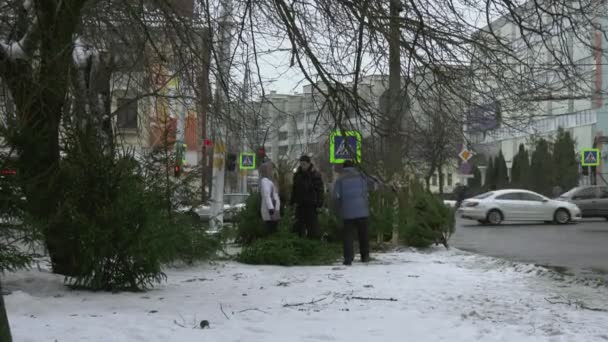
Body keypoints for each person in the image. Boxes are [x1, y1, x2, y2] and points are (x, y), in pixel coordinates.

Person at [333, 160, 370, 266]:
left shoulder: (340, 180)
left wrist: (338, 209)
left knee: (348, 236)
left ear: (343, 168)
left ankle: (348, 258)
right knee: (363, 234)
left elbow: (336, 196)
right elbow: (368, 188)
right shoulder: (362, 176)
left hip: (347, 212)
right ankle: (365, 256)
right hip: (363, 210)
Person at [291, 155, 324, 238]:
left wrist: (319, 203)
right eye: (301, 164)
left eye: (304, 164)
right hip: (300, 204)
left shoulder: (314, 174)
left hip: (311, 205)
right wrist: (292, 201)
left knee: (312, 227)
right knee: (298, 226)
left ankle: (312, 243)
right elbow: (294, 189)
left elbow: (319, 190)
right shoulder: (297, 175)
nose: (302, 166)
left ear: (309, 164)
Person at [259, 162, 280, 235]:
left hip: (274, 209)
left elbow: (275, 195)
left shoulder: (271, 181)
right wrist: (271, 209)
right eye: (271, 169)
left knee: (274, 230)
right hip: (270, 210)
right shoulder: (265, 181)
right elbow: (267, 195)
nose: (273, 171)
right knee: (271, 230)